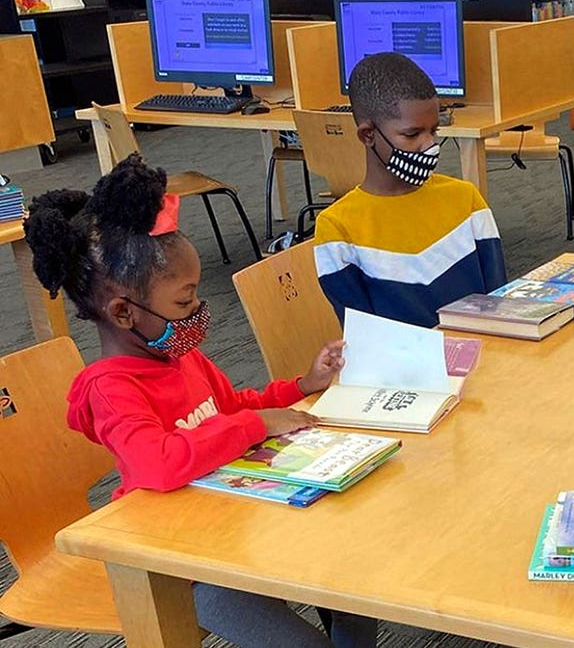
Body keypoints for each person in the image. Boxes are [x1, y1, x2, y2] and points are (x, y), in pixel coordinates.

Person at [24, 155, 377, 648]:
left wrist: (302, 385)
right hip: (183, 566)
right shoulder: (111, 389)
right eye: (185, 303)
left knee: (356, 579)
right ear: (124, 313)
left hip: (235, 521)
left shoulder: (178, 353)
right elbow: (159, 462)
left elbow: (234, 405)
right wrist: (257, 425)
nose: (199, 313)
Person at [314, 52, 507, 328]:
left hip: (486, 355)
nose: (429, 145)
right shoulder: (337, 229)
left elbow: (499, 303)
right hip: (402, 368)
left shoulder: (466, 199)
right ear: (368, 135)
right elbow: (366, 337)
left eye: (434, 131)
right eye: (412, 134)